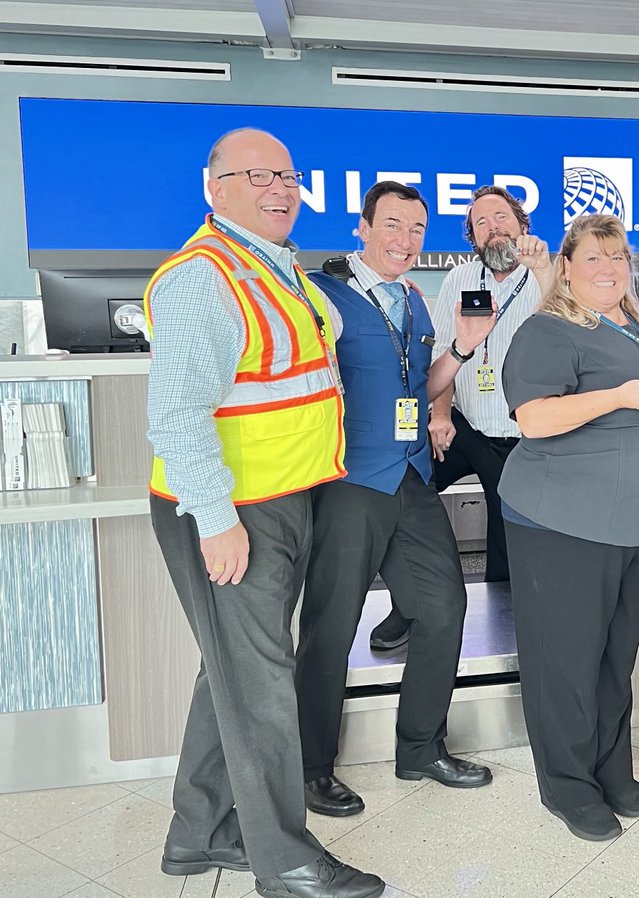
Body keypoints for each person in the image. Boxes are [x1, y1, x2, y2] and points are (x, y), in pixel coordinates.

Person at [144, 128, 384, 898]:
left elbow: (322, 345)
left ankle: (199, 835)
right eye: (258, 175)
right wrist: (215, 518)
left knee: (236, 672)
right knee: (261, 682)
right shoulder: (202, 278)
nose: (280, 188)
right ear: (214, 187)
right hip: (231, 508)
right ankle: (286, 862)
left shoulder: (274, 268)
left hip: (283, 495)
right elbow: (177, 415)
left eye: (287, 174)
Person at [294, 181, 497, 820]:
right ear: (362, 227)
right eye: (392, 226)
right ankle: (307, 769)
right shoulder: (320, 295)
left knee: (443, 605)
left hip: (408, 476)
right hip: (348, 481)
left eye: (416, 229)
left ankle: (420, 748)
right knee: (330, 628)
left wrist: (463, 346)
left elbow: (422, 383)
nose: (405, 241)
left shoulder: (413, 299)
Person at [499, 214, 639, 842]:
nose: (607, 269)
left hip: (638, 524)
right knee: (566, 662)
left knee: (614, 657)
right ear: (567, 267)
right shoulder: (548, 330)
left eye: (617, 258)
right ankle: (567, 785)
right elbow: (534, 419)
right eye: (592, 259)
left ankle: (611, 767)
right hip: (565, 523)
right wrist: (619, 397)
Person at [369, 185, 552, 651]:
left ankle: (507, 636)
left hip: (522, 437)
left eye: (501, 217)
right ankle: (412, 601)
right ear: (471, 235)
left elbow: (568, 325)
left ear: (521, 225)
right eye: (481, 222)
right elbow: (446, 355)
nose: (493, 227)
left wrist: (547, 268)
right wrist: (442, 413)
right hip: (467, 424)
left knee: (508, 541)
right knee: (406, 495)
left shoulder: (547, 274)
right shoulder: (460, 278)